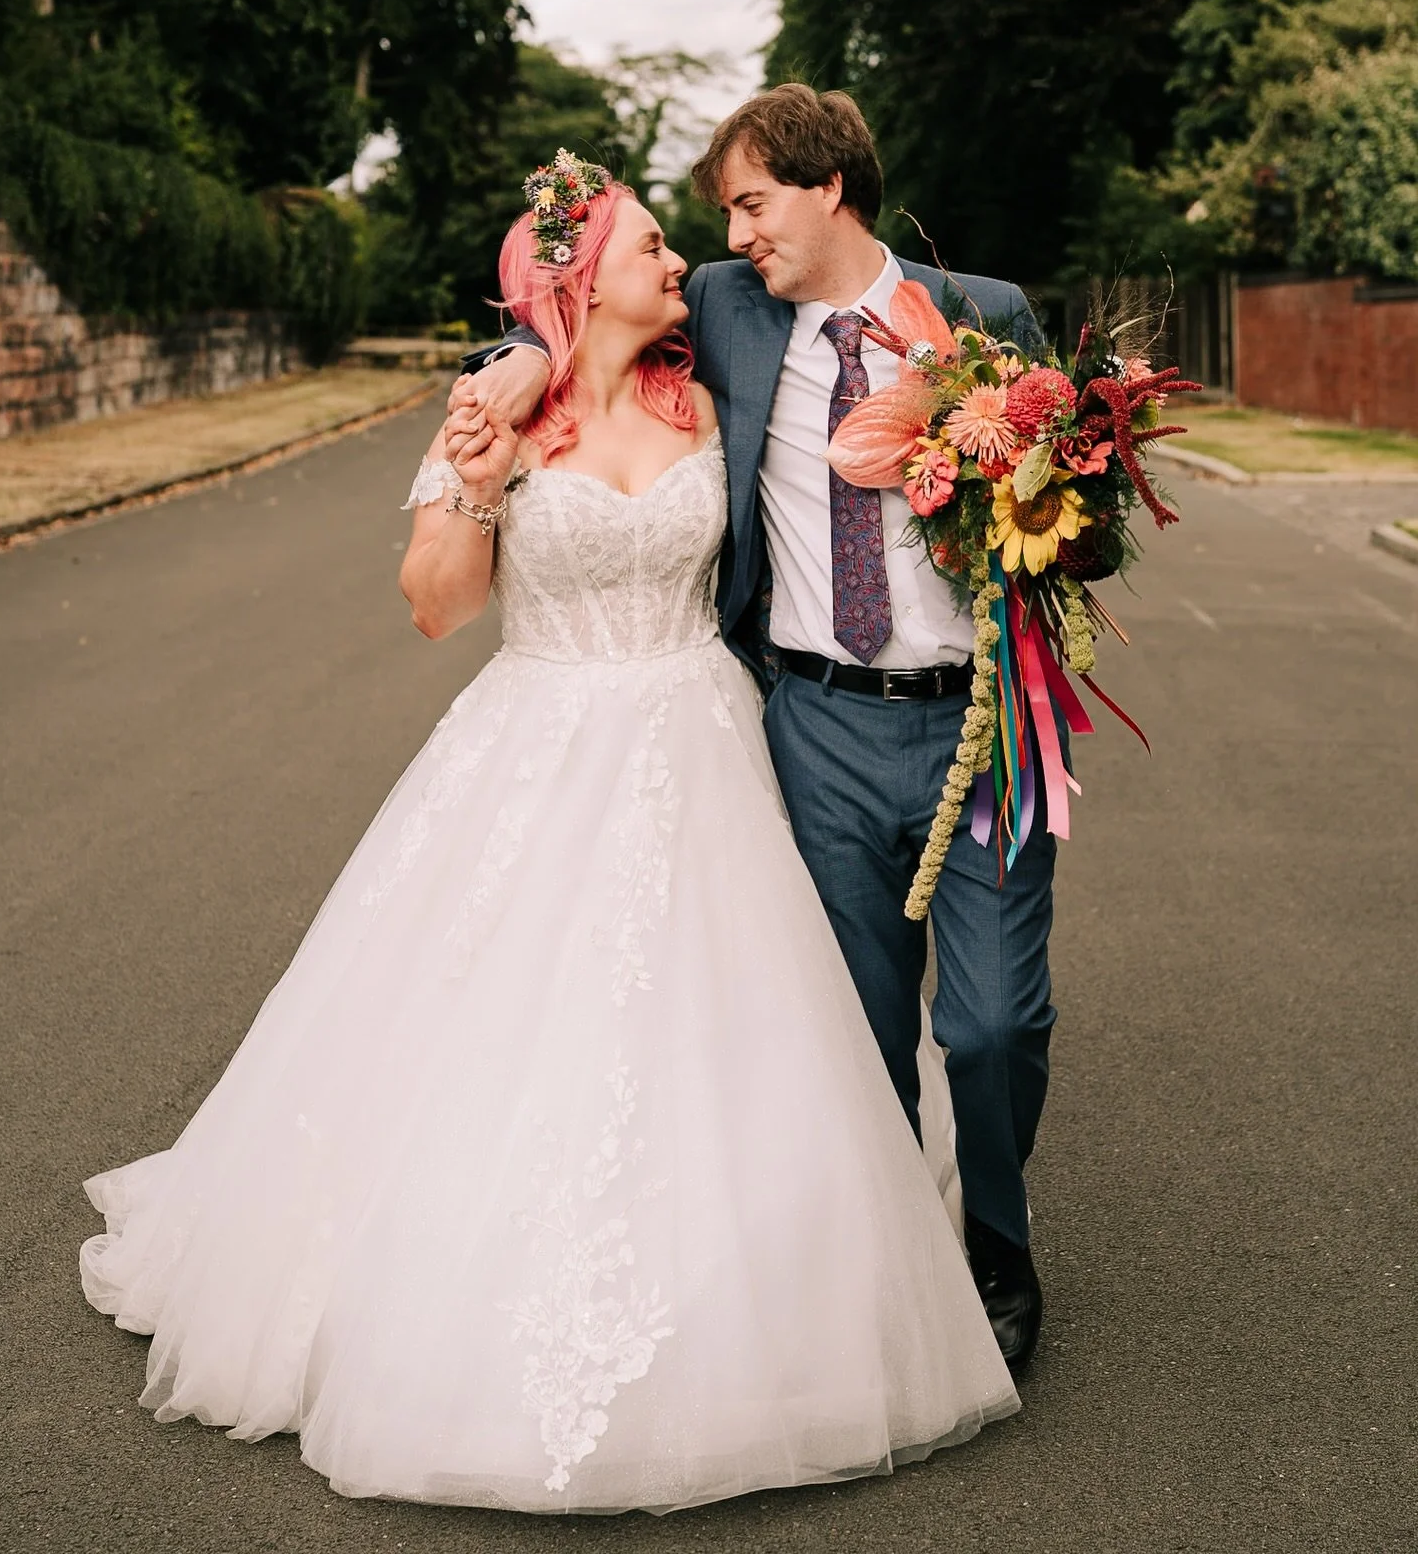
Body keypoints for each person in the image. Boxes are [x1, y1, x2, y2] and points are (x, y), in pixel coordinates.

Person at [79, 152, 1017, 1514]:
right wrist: (476, 476)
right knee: (499, 1025)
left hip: (704, 742)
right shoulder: (489, 418)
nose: (677, 261)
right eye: (647, 243)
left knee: (730, 1034)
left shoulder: (707, 393)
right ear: (581, 278)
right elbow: (435, 608)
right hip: (538, 739)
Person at [463, 87, 1057, 1373]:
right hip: (816, 724)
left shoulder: (984, 318)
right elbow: (568, 320)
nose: (727, 238)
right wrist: (502, 360)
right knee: (855, 1024)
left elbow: (1063, 497)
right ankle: (888, 1259)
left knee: (994, 1024)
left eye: (749, 203)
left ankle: (1001, 1245)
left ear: (828, 185)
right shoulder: (733, 313)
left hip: (977, 726)